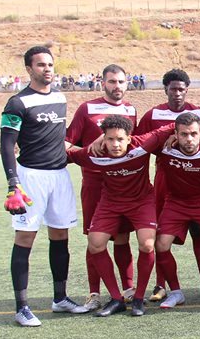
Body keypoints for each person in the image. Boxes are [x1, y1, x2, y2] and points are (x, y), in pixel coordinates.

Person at [1, 46, 89, 327]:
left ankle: (60, 298)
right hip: (31, 178)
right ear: (29, 69)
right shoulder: (17, 103)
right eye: (40, 65)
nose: (47, 69)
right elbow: (5, 145)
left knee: (61, 235)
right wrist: (13, 182)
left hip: (59, 175)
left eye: (50, 64)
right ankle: (22, 307)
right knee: (25, 238)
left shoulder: (60, 97)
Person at [66, 116, 176, 316]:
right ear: (103, 139)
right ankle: (116, 298)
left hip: (142, 201)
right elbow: (66, 156)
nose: (115, 144)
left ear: (129, 138)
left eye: (119, 139)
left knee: (147, 244)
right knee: (95, 243)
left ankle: (139, 297)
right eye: (110, 139)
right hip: (110, 203)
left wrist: (199, 136)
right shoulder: (94, 153)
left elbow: (175, 124)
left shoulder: (143, 144)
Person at [133, 69, 200, 302]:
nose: (177, 93)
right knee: (159, 234)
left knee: (199, 231)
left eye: (181, 89)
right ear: (165, 89)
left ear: (187, 89)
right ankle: (160, 284)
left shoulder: (199, 112)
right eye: (173, 89)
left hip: (194, 178)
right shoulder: (153, 114)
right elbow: (139, 143)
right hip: (165, 178)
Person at [66, 64, 138, 311]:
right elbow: (67, 144)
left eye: (121, 82)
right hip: (95, 184)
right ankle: (94, 293)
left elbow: (133, 144)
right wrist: (89, 152)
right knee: (95, 239)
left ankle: (128, 289)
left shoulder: (131, 110)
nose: (117, 86)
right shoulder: (87, 108)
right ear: (102, 83)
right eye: (112, 82)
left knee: (122, 237)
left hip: (122, 183)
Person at [152, 112, 200, 308]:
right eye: (184, 134)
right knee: (161, 244)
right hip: (176, 202)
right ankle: (176, 292)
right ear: (176, 134)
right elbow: (138, 140)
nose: (189, 139)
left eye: (194, 134)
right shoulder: (164, 148)